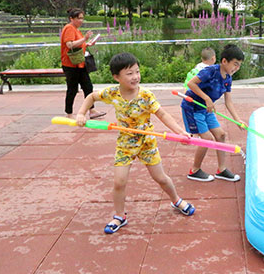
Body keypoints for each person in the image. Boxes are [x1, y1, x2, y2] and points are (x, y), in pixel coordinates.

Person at [75, 52, 195, 234]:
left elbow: (162, 114)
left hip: (147, 143)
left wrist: (180, 132)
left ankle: (176, 200)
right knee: (119, 182)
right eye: (129, 73)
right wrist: (81, 113)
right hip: (125, 144)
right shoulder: (112, 93)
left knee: (161, 178)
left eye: (137, 72)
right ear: (116, 77)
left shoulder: (146, 95)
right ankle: (119, 216)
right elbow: (91, 97)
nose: (135, 77)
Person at [182, 44, 245, 182]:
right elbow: (191, 84)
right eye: (235, 64)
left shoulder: (228, 78)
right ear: (224, 61)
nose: (237, 68)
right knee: (206, 138)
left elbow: (228, 102)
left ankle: (221, 170)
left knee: (221, 135)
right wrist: (207, 98)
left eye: (239, 65)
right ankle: (194, 170)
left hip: (207, 109)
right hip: (193, 107)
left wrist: (237, 120)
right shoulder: (210, 71)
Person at [60, 8, 105, 119]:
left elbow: (78, 44)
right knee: (72, 89)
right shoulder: (69, 28)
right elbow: (70, 45)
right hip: (71, 65)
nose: (81, 20)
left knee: (88, 87)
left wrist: (87, 43)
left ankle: (92, 110)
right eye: (78, 18)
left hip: (80, 64)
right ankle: (69, 113)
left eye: (82, 18)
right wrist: (84, 39)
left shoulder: (76, 29)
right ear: (71, 18)